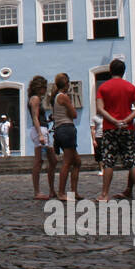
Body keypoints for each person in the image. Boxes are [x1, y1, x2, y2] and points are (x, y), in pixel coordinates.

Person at [95, 59, 135, 202]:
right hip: (127, 128)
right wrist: (127, 119)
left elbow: (100, 108)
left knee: (109, 161)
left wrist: (113, 120)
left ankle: (104, 194)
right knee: (132, 160)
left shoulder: (103, 87)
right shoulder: (130, 87)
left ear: (111, 70)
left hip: (110, 128)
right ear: (123, 71)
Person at [51, 73, 81, 201]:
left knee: (77, 162)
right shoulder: (64, 97)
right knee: (67, 162)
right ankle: (62, 192)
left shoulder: (56, 97)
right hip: (66, 129)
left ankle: (74, 191)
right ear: (67, 84)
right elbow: (74, 114)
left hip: (60, 129)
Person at [27, 76, 56, 200]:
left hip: (43, 129)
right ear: (40, 88)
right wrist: (40, 134)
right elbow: (35, 117)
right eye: (45, 87)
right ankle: (37, 191)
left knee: (52, 160)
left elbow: (38, 117)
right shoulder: (35, 99)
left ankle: (51, 190)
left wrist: (48, 120)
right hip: (40, 131)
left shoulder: (36, 99)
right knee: (39, 161)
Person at [91, 111, 105, 176]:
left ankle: (106, 169)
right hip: (98, 137)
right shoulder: (94, 118)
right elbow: (93, 129)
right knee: (99, 154)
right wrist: (94, 140)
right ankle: (101, 169)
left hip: (106, 136)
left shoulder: (106, 117)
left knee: (106, 153)